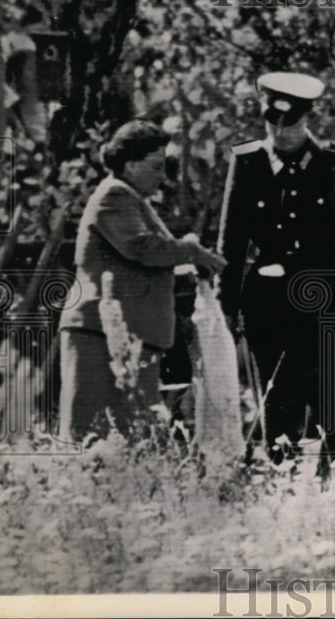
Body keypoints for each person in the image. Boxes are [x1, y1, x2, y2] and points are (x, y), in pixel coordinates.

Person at [217, 72, 335, 464]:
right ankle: (284, 491)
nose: (282, 132)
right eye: (273, 123)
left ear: (306, 119)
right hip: (269, 303)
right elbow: (231, 244)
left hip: (325, 300)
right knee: (278, 401)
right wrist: (227, 311)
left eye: (292, 123)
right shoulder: (248, 162)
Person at [58, 119, 227, 442]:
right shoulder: (115, 195)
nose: (162, 177)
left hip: (127, 334)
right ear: (130, 163)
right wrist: (193, 251)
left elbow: (141, 260)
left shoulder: (131, 198)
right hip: (100, 331)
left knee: (131, 431)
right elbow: (142, 248)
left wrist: (185, 262)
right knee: (90, 430)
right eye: (156, 167)